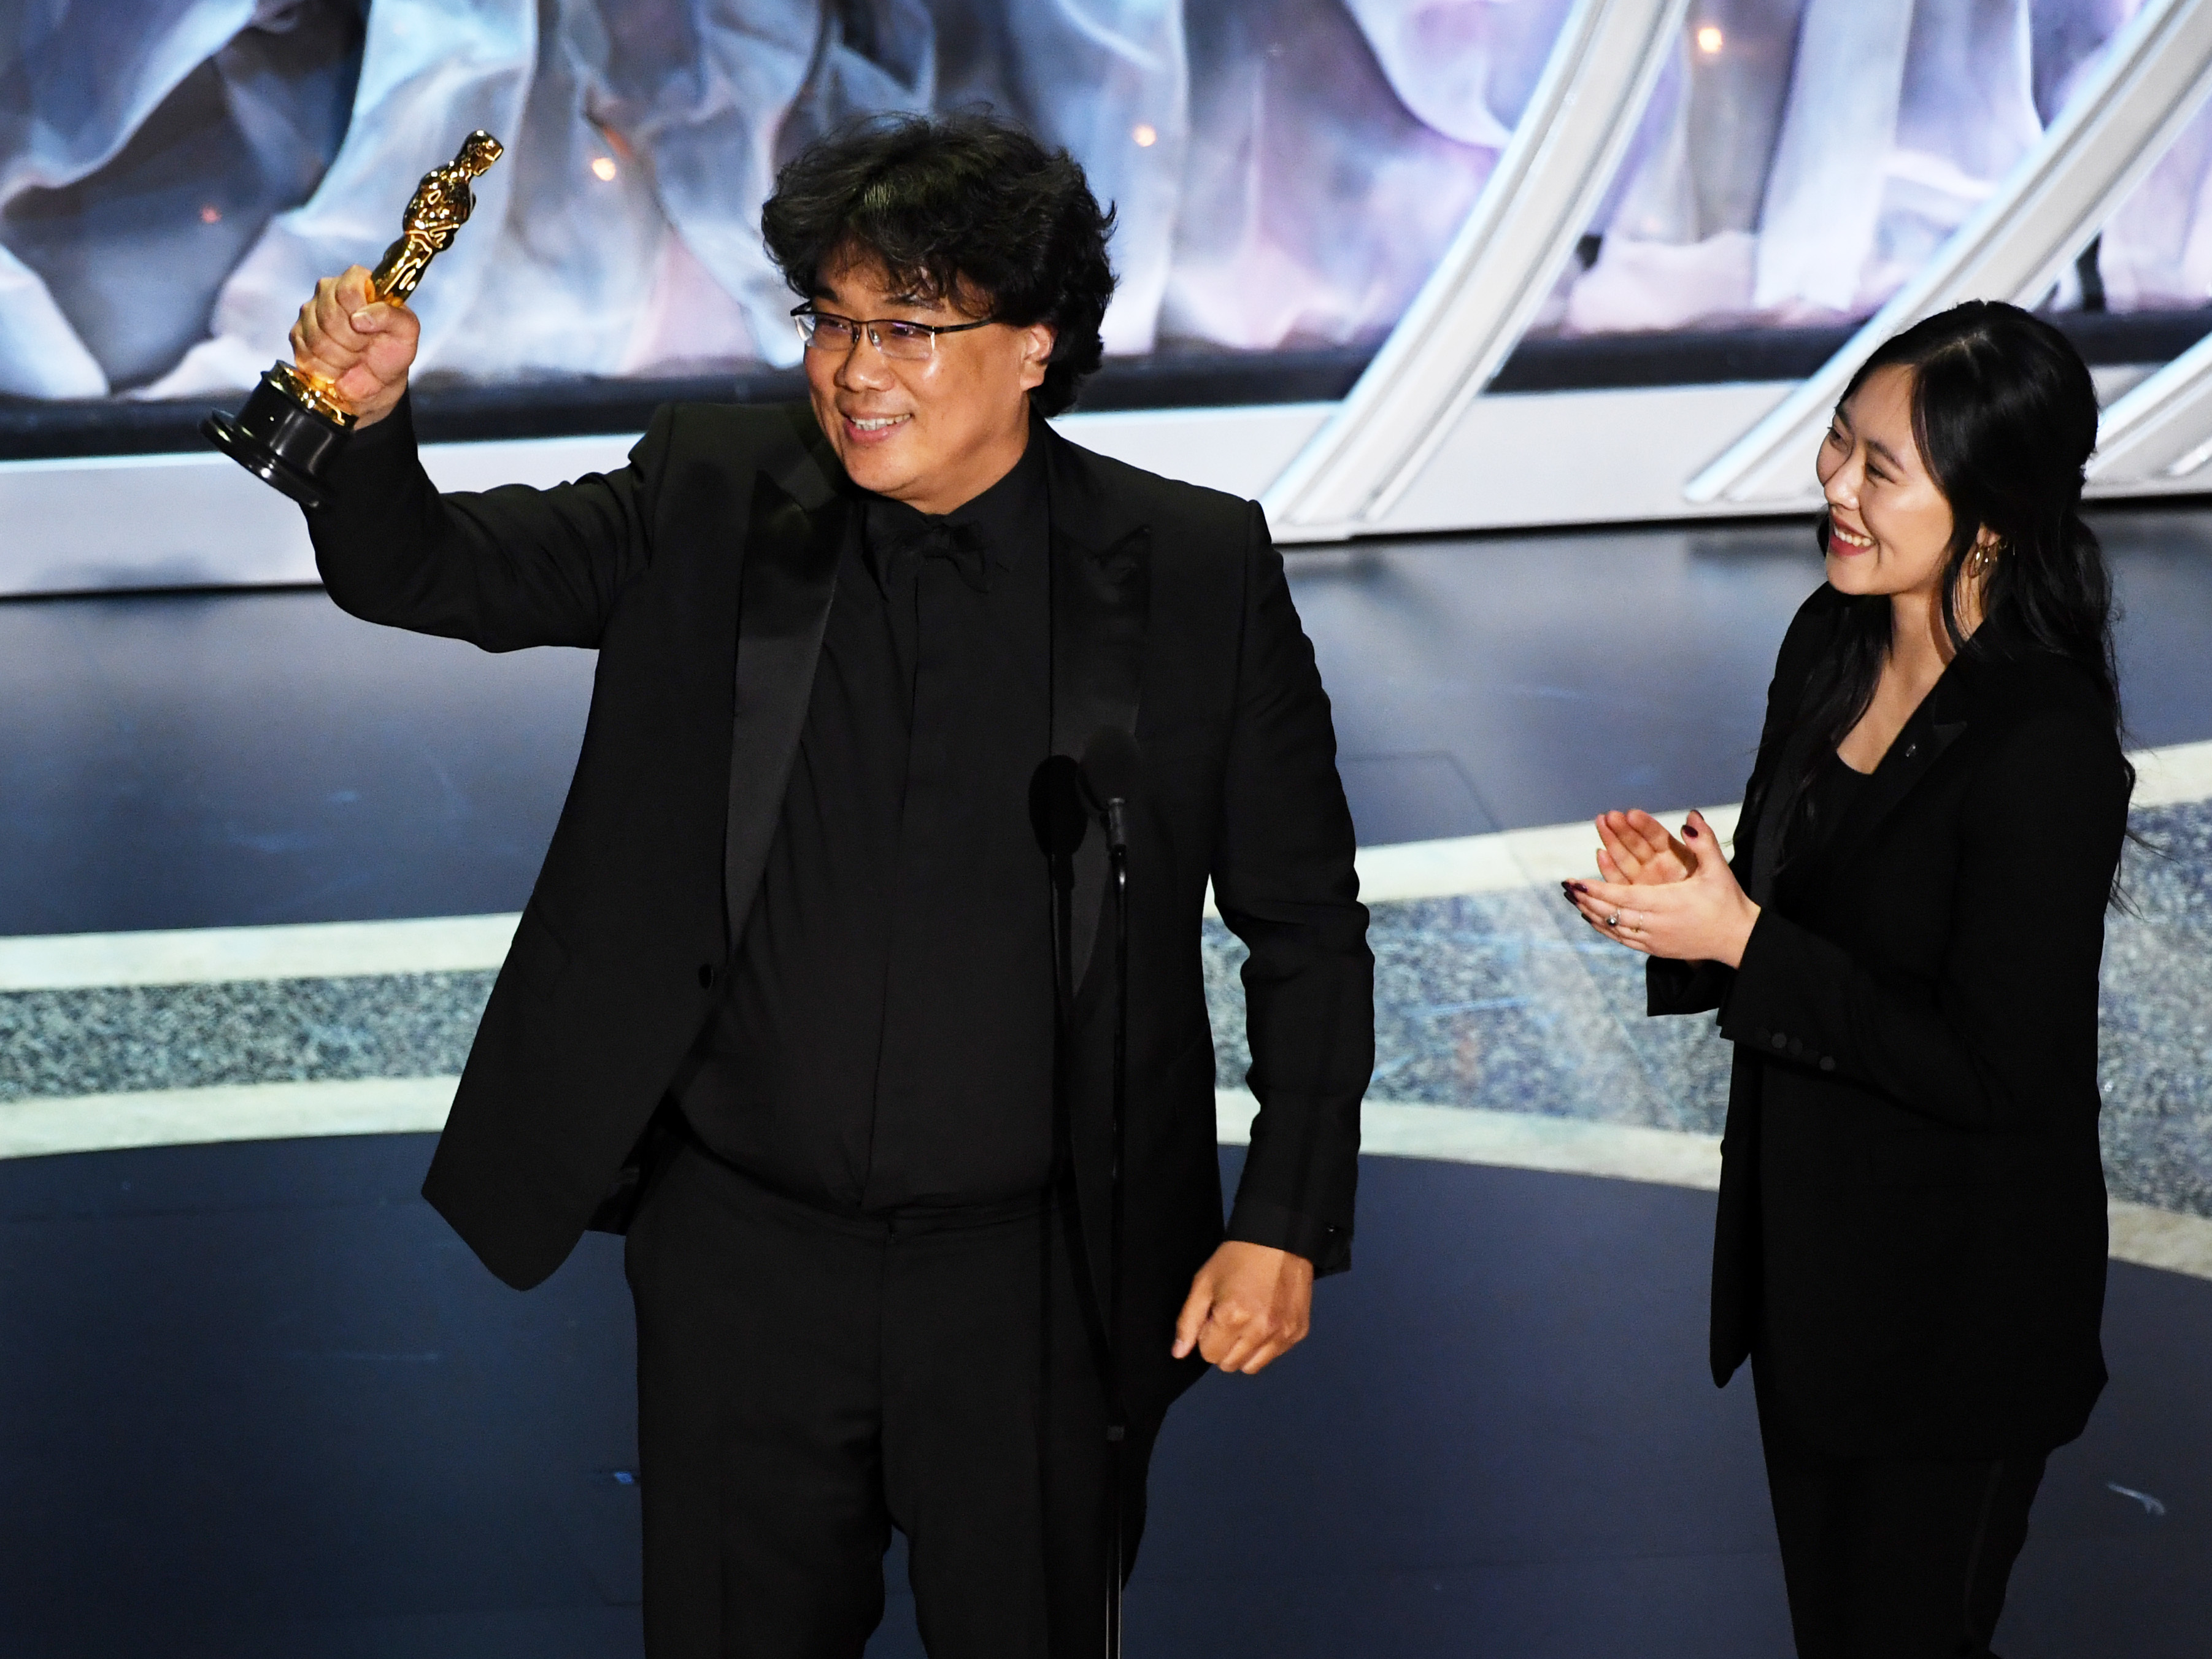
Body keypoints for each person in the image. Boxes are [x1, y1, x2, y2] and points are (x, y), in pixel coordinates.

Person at [287, 113, 1373, 1656]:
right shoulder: (713, 491)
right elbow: (429, 572)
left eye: (911, 329)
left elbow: (1310, 925)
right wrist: (368, 423)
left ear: (1038, 344)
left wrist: (1283, 1211)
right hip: (744, 1264)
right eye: (834, 320)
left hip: (1039, 1280)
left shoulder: (1193, 568)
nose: (857, 371)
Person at [1565, 301, 2132, 1659]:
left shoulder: (2044, 747)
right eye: (1840, 445)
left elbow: (1991, 1066)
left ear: (1990, 518)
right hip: (1814, 1291)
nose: (1834, 483)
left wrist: (1743, 938)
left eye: (1881, 468)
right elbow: (1800, 917)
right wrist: (1692, 902)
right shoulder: (1829, 639)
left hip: (1959, 1322)